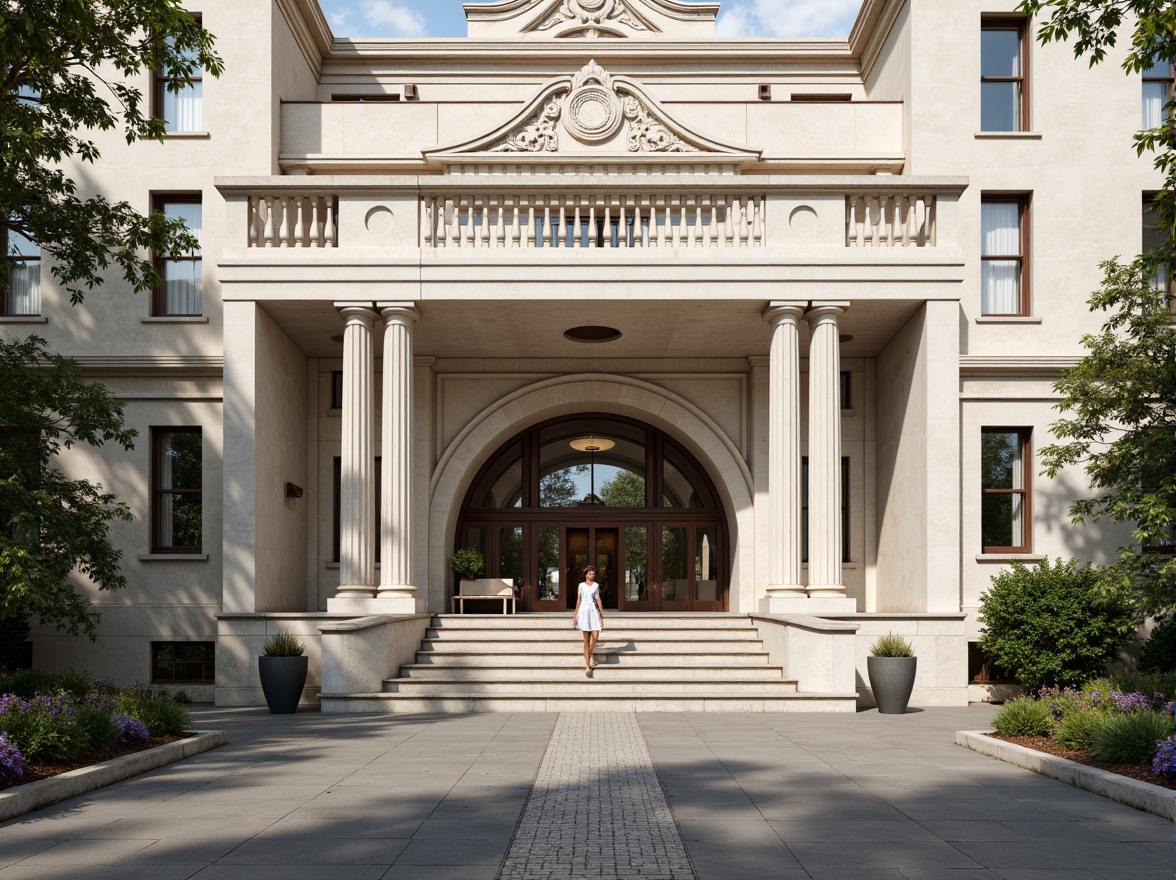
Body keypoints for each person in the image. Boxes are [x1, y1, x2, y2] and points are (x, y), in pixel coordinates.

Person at [572, 565, 604, 678]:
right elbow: (579, 600)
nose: (592, 576)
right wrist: (575, 617)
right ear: (586, 574)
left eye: (593, 574)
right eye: (590, 574)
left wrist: (601, 614)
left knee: (595, 637)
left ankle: (588, 656)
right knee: (586, 640)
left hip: (594, 612)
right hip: (584, 612)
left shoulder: (596, 586)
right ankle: (587, 664)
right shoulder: (581, 586)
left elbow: (598, 599)